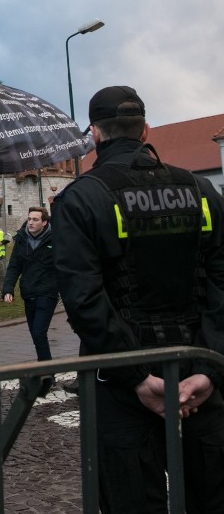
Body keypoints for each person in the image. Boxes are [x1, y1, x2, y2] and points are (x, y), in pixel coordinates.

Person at [52, 85, 224, 512]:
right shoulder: (202, 190)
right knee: (212, 496)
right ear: (146, 129)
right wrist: (207, 370)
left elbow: (84, 301)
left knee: (130, 500)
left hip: (121, 381)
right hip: (199, 371)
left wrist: (138, 379)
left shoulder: (81, 198)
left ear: (94, 134)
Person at [1, 207, 58, 364]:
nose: (31, 222)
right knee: (35, 334)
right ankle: (45, 365)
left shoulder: (55, 238)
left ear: (44, 222)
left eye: (35, 219)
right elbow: (14, 266)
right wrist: (8, 289)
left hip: (47, 292)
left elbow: (65, 265)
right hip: (28, 291)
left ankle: (47, 372)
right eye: (29, 219)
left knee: (39, 332)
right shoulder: (21, 238)